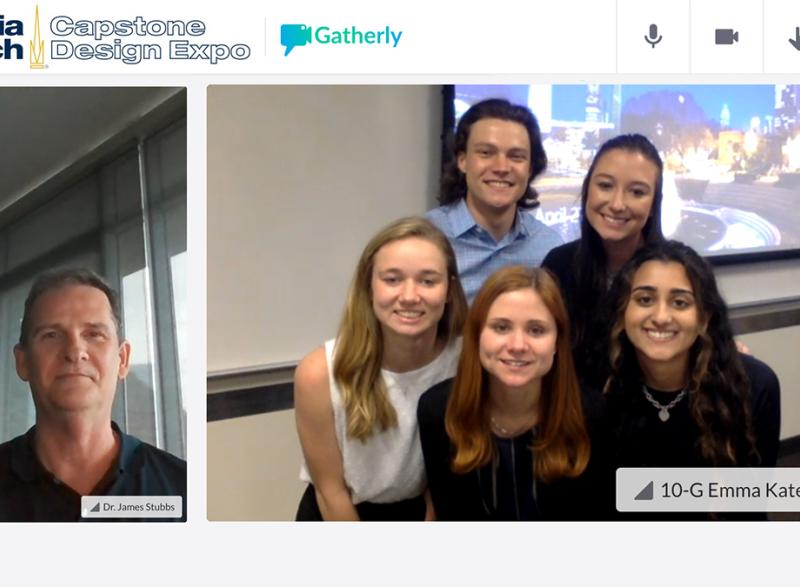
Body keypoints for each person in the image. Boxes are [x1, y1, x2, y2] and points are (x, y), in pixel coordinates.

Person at [294, 217, 468, 521]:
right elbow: (330, 491)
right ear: (369, 286)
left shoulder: (466, 362)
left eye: (428, 280)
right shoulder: (319, 374)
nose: (410, 296)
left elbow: (446, 476)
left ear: (449, 289)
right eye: (392, 279)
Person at [603, 240, 781, 519]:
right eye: (644, 300)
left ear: (704, 317)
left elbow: (751, 504)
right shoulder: (601, 391)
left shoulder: (753, 386)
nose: (661, 317)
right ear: (622, 311)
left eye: (680, 302)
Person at [417, 266, 608, 521]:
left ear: (557, 343)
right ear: (477, 336)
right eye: (501, 327)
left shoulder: (592, 414)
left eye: (536, 330)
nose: (517, 345)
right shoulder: (438, 410)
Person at [0, 268, 186, 522]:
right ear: (23, 362)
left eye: (94, 334)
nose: (75, 351)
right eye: (51, 335)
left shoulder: (185, 491)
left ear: (122, 359)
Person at [542, 133, 664, 383]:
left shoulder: (677, 271)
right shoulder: (558, 265)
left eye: (637, 192)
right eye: (605, 186)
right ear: (588, 190)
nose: (618, 204)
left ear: (653, 206)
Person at [427, 98, 562, 303]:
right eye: (486, 153)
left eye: (516, 156)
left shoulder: (549, 248)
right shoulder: (426, 237)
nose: (501, 167)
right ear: (462, 161)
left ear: (530, 168)